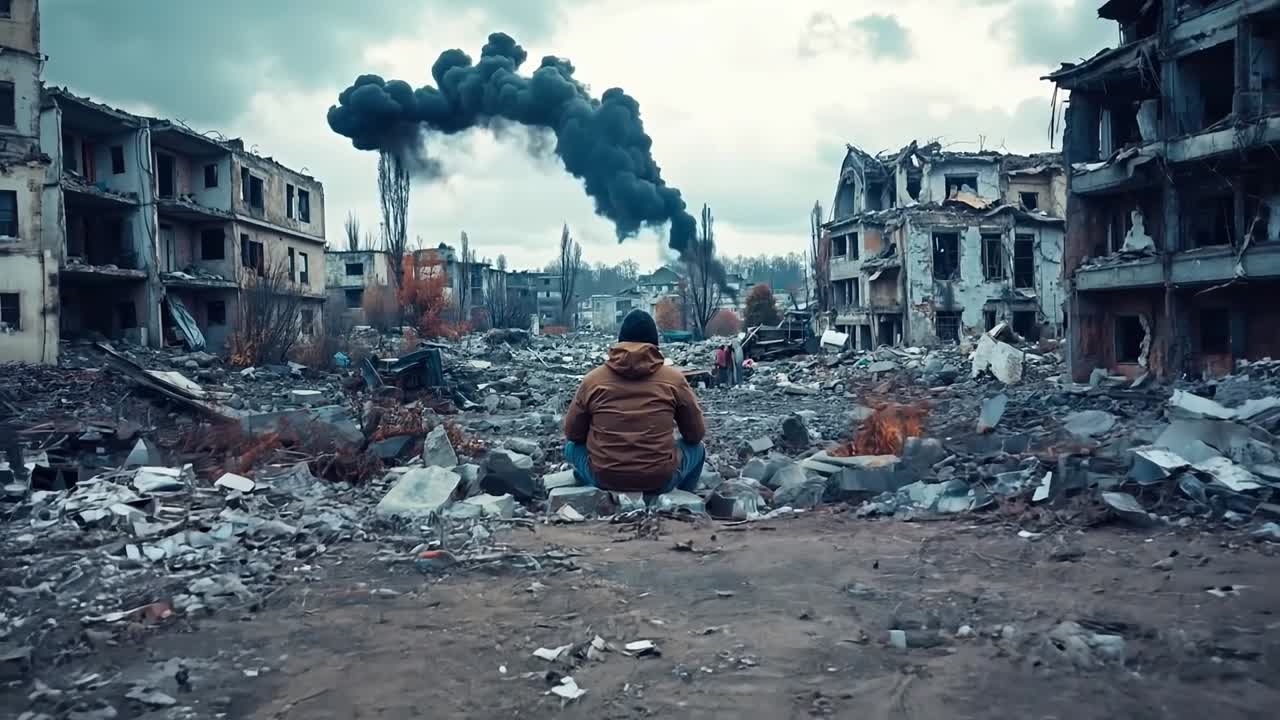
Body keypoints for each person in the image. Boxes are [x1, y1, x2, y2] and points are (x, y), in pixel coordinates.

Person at [563, 309, 706, 494]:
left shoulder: (592, 380)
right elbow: (695, 435)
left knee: (571, 447)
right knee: (698, 449)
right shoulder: (674, 380)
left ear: (620, 341)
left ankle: (596, 495)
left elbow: (573, 434)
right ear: (655, 344)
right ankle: (683, 497)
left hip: (604, 478)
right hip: (659, 480)